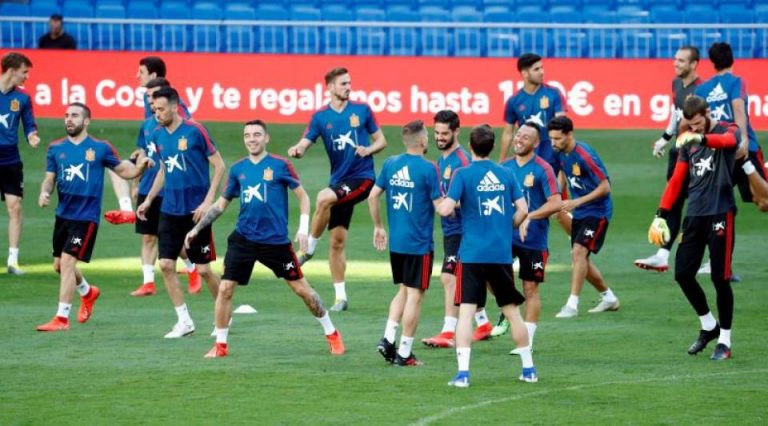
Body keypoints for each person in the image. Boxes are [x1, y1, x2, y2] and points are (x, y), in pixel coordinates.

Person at [184, 120, 344, 358]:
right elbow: (221, 204)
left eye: (257, 134)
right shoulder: (238, 169)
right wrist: (197, 228)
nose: (252, 139)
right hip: (243, 239)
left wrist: (302, 229)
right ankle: (220, 346)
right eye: (247, 135)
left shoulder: (281, 165)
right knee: (226, 289)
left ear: (266, 138)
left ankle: (332, 333)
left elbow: (303, 197)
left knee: (303, 291)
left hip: (276, 243)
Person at [36, 103, 152, 331]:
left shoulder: (101, 148)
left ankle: (61, 318)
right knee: (59, 265)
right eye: (67, 115)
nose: (69, 119)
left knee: (69, 261)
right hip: (63, 216)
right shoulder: (55, 148)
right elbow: (50, 178)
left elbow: (123, 171)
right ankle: (88, 293)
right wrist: (44, 191)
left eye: (75, 116)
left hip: (86, 217)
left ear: (86, 121)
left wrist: (141, 168)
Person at [437, 124, 535, 388]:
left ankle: (463, 374)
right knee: (513, 312)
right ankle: (528, 369)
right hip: (500, 254)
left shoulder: (462, 173)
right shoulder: (506, 173)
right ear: (492, 147)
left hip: (471, 255)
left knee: (467, 313)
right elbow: (524, 209)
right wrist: (509, 226)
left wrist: (441, 202)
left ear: (470, 147)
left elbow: (446, 208)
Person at [287, 67, 387, 312]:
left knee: (323, 198)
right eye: (343, 83)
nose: (348, 87)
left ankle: (308, 247)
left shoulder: (362, 110)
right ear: (330, 87)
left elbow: (381, 141)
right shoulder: (320, 117)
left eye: (349, 83)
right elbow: (305, 141)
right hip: (340, 182)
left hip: (362, 179)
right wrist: (297, 149)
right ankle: (341, 298)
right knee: (337, 242)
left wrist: (368, 150)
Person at [647, 95, 739, 360]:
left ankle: (725, 340)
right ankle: (709, 325)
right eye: (691, 125)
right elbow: (677, 180)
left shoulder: (726, 129)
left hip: (721, 212)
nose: (695, 128)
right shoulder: (686, 139)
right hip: (695, 214)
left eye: (699, 123)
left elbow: (729, 142)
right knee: (683, 273)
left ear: (706, 113)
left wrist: (701, 138)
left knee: (720, 278)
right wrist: (661, 214)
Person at [136, 87, 225, 338]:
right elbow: (165, 168)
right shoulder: (157, 135)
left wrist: (208, 201)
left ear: (175, 107)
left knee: (205, 270)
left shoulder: (195, 130)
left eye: (161, 109)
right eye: (154, 109)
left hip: (196, 211)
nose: (157, 113)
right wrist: (150, 200)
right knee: (165, 264)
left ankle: (223, 315)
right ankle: (184, 321)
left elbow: (219, 165)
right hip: (170, 208)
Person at [369, 120, 442, 366]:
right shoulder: (429, 168)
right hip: (419, 244)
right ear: (422, 141)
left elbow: (372, 196)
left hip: (397, 243)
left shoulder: (390, 163)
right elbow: (440, 207)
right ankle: (404, 353)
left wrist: (379, 226)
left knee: (403, 289)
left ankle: (388, 338)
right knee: (416, 295)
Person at [420, 110, 492, 348]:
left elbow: (473, 192)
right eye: (436, 133)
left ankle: (448, 331)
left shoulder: (462, 161)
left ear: (456, 132)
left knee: (448, 277)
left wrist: (448, 203)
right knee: (468, 277)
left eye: (444, 133)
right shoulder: (442, 160)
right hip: (450, 229)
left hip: (464, 229)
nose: (439, 138)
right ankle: (483, 323)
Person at [128, 78, 200, 297]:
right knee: (148, 236)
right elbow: (142, 151)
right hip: (148, 185)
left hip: (169, 189)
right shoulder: (147, 125)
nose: (150, 102)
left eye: (153, 97)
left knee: (169, 237)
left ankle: (192, 268)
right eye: (148, 98)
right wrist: (136, 182)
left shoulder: (176, 125)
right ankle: (148, 282)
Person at [105, 56, 193, 226]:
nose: (137, 75)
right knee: (114, 166)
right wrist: (145, 148)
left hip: (170, 163)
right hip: (153, 156)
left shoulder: (172, 102)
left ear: (153, 76)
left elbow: (187, 126)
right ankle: (127, 210)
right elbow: (150, 131)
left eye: (141, 72)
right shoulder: (148, 100)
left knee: (171, 238)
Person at [635, 46, 702, 273]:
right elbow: (676, 115)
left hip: (698, 155)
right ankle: (662, 255)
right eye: (675, 59)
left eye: (682, 61)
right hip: (679, 153)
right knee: (673, 201)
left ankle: (716, 258)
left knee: (702, 205)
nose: (676, 64)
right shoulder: (676, 84)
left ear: (694, 64)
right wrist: (664, 139)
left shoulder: (702, 89)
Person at [549, 116, 621, 318]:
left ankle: (572, 305)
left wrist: (576, 202)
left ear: (569, 134)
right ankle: (609, 298)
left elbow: (605, 187)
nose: (553, 143)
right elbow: (563, 172)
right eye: (551, 139)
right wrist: (556, 195)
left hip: (597, 211)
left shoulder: (585, 155)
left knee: (578, 253)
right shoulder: (561, 153)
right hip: (581, 212)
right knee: (582, 259)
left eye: (557, 138)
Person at [501, 122, 562, 353]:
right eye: (518, 135)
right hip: (506, 237)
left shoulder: (542, 169)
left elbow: (556, 203)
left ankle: (527, 342)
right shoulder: (504, 167)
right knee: (490, 275)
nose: (519, 139)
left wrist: (529, 216)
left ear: (536, 143)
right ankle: (509, 308)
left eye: (525, 137)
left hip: (534, 240)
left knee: (531, 288)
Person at [695, 42, 768, 215]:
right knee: (763, 201)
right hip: (743, 150)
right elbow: (738, 108)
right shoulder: (737, 82)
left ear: (712, 62)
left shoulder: (701, 89)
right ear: (732, 59)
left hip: (717, 153)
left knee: (714, 203)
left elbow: (697, 121)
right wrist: (742, 139)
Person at [0, 52, 39, 275]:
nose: (26, 77)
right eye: (25, 72)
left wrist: (32, 136)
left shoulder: (22, 99)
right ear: (12, 70)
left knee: (15, 207)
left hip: (10, 160)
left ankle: (13, 261)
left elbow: (29, 125)